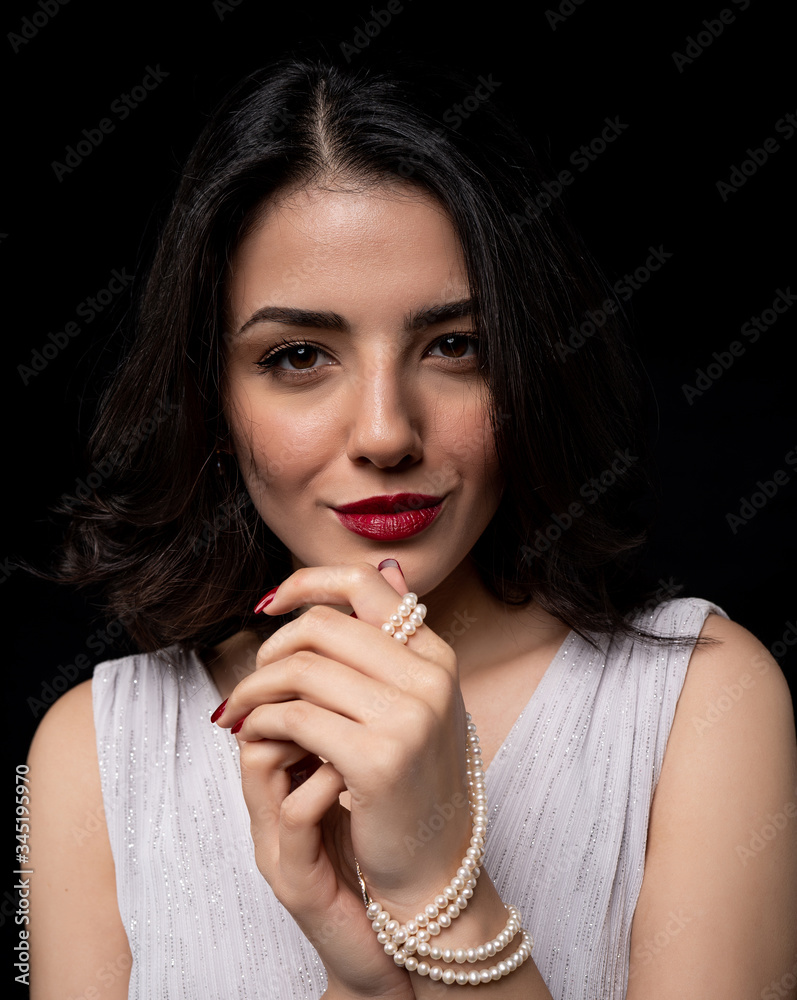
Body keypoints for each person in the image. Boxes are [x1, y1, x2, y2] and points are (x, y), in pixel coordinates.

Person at [26, 50, 797, 1000]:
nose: (387, 433)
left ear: (523, 373)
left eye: (454, 347)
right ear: (210, 403)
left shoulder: (696, 702)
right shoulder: (93, 753)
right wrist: (365, 979)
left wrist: (435, 884)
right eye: (300, 355)